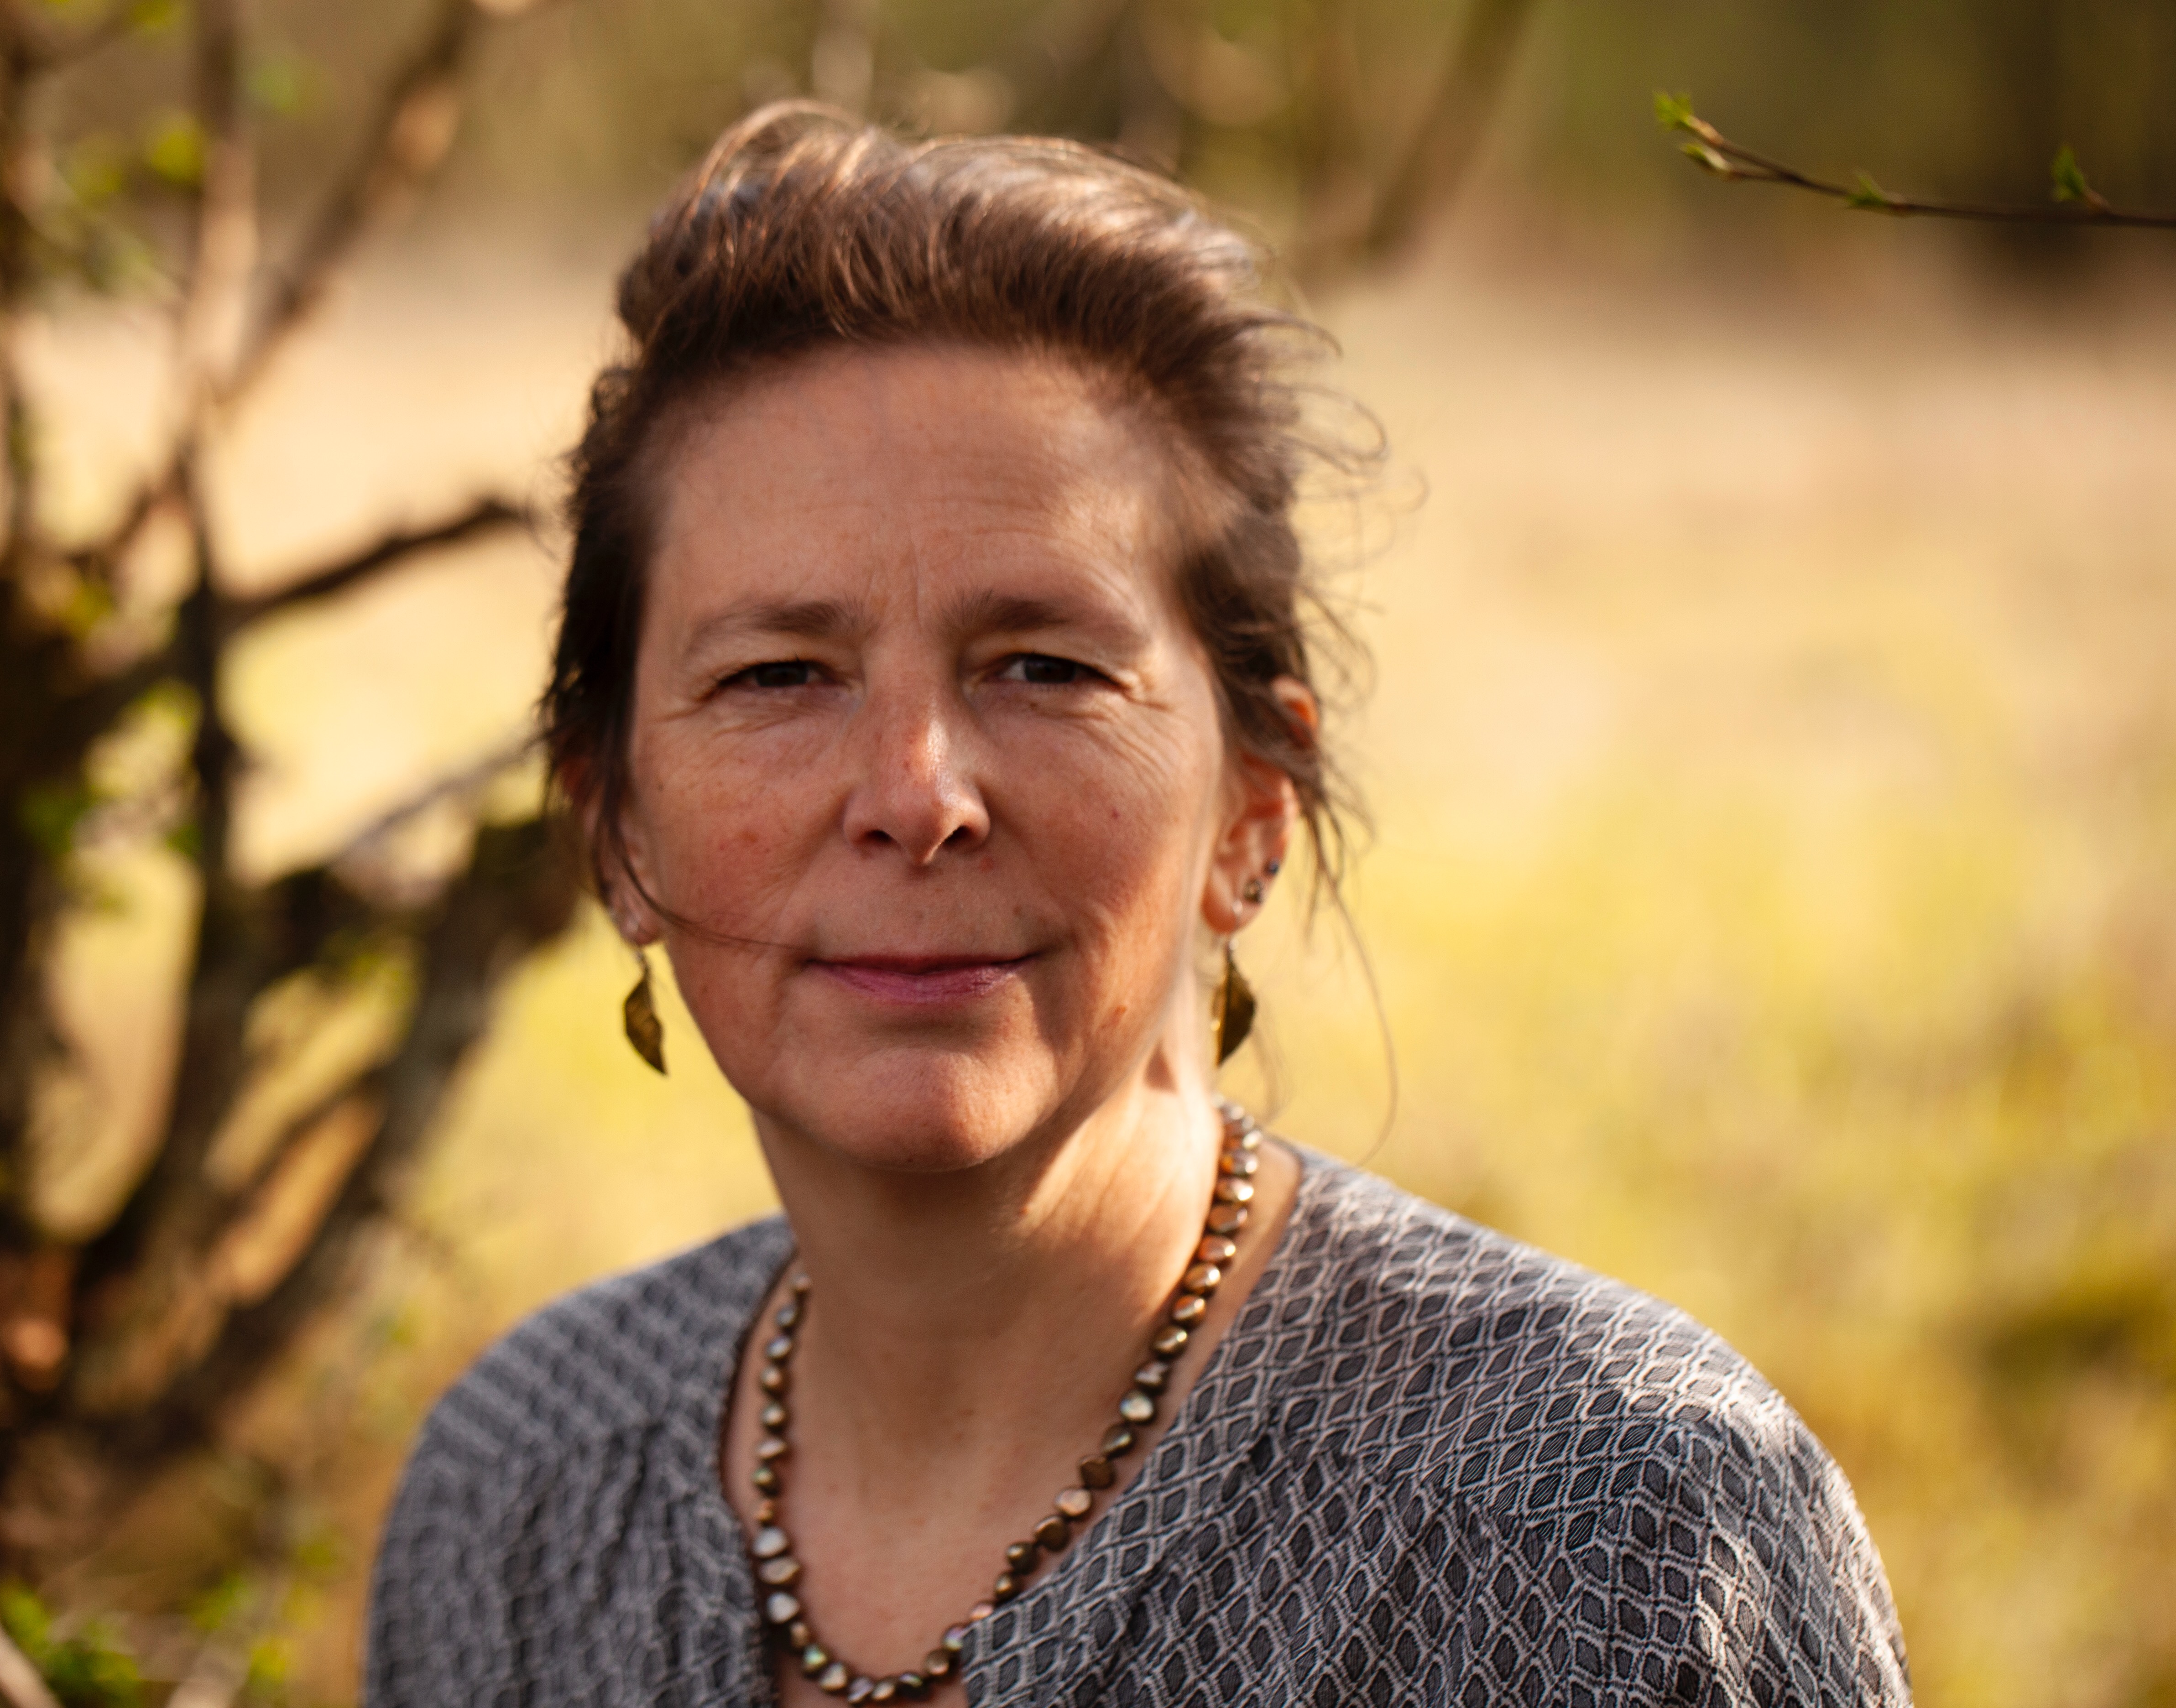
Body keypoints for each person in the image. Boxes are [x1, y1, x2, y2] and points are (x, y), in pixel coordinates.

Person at [365, 104, 1910, 1708]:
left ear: (1253, 806)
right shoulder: (516, 1494)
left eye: (1044, 665)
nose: (917, 792)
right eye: (779, 675)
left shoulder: (1604, 1532)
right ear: (616, 830)